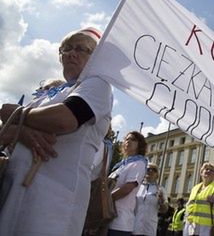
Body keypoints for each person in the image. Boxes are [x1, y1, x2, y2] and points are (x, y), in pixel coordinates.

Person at [0, 27, 113, 236]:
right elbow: (4, 132)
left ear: (94, 58)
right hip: (12, 192)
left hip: (54, 201)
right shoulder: (45, 95)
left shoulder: (97, 84)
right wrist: (22, 132)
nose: (72, 53)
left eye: (81, 49)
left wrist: (16, 116)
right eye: (66, 48)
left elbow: (64, 119)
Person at [107, 131, 148, 236]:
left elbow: (127, 188)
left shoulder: (139, 163)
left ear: (140, 145)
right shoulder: (120, 165)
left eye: (133, 139)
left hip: (120, 221)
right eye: (127, 139)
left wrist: (106, 199)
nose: (128, 141)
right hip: (107, 217)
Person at [132, 162, 168, 236]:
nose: (150, 171)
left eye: (154, 170)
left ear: (157, 175)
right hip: (134, 226)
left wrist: (161, 201)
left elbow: (164, 210)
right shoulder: (137, 187)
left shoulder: (161, 189)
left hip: (149, 229)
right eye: (148, 169)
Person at [183, 162, 214, 236]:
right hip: (190, 225)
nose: (208, 171)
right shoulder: (195, 188)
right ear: (201, 173)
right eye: (206, 169)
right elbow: (189, 205)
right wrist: (186, 221)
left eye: (211, 170)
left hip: (206, 227)